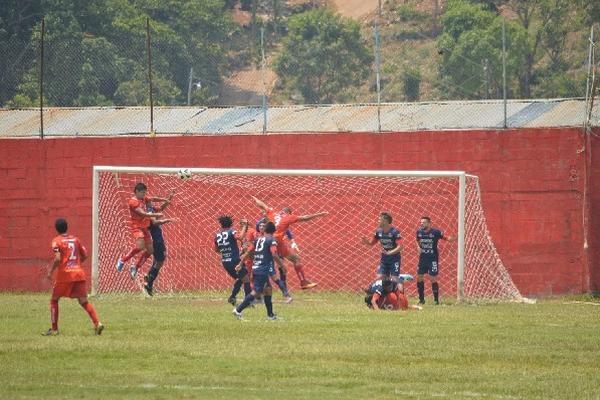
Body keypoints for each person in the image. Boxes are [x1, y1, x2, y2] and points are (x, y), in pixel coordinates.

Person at [252, 196, 328, 289]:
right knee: (295, 259)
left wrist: (255, 199)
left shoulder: (273, 212)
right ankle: (303, 282)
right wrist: (319, 214)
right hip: (277, 241)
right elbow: (305, 218)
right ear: (289, 213)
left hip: (265, 239)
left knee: (262, 261)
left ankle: (259, 286)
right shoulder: (288, 217)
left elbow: (262, 205)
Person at [44, 218, 104, 336]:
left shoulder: (56, 241)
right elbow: (85, 255)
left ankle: (54, 329)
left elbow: (57, 259)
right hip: (79, 273)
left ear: (56, 229)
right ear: (67, 227)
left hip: (65, 274)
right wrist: (76, 265)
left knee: (54, 300)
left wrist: (50, 272)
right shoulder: (76, 240)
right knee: (84, 301)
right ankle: (97, 323)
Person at [115, 182, 170, 280]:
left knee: (150, 250)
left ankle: (135, 267)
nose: (145, 195)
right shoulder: (133, 202)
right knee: (140, 246)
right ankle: (122, 260)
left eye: (145, 192)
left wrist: (164, 199)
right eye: (143, 192)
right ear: (137, 191)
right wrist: (155, 216)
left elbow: (153, 199)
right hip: (137, 227)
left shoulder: (144, 199)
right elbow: (144, 214)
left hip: (145, 228)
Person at [232, 222, 284, 320]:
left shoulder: (258, 239)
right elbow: (274, 254)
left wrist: (240, 263)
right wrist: (282, 266)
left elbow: (249, 251)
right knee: (256, 292)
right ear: (274, 231)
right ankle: (238, 310)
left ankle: (270, 315)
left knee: (268, 290)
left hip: (256, 267)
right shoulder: (271, 240)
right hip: (262, 269)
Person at [416, 216, 456, 305]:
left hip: (432, 259)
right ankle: (421, 300)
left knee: (433, 278)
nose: (421, 224)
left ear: (429, 223)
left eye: (424, 222)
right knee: (419, 278)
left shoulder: (435, 232)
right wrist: (418, 247)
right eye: (421, 222)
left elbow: (447, 238)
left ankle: (436, 300)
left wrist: (456, 237)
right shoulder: (419, 232)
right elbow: (417, 241)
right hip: (422, 259)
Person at [143, 192, 176, 296]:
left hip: (155, 239)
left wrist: (169, 198)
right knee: (160, 261)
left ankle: (149, 283)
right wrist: (167, 220)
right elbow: (154, 222)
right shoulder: (148, 211)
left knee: (157, 261)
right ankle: (149, 279)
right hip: (156, 240)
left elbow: (161, 208)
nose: (152, 201)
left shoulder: (151, 209)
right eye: (151, 200)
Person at [214, 215, 251, 306]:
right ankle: (247, 302)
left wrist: (226, 248)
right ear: (230, 224)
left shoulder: (217, 235)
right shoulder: (231, 231)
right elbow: (240, 237)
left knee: (240, 278)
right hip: (234, 260)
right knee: (246, 279)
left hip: (225, 262)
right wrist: (245, 226)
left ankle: (232, 297)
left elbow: (216, 250)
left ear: (221, 224)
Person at [362, 212, 404, 288]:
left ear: (385, 221)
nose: (378, 221)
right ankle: (371, 289)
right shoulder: (378, 231)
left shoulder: (394, 232)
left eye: (379, 220)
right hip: (384, 259)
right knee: (380, 277)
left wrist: (389, 252)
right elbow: (371, 243)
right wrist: (366, 241)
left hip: (394, 259)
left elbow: (400, 247)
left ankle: (401, 293)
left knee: (395, 279)